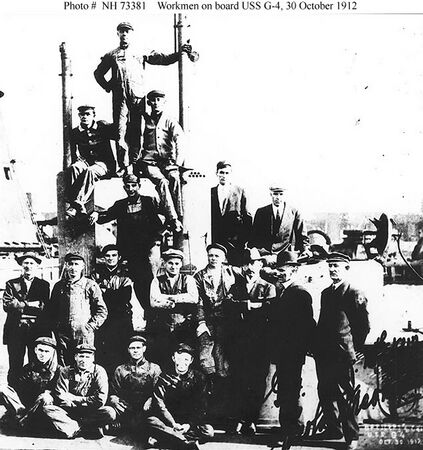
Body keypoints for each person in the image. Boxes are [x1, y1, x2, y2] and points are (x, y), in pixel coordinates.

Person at [94, 22, 192, 173]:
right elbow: (98, 73)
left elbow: (162, 59)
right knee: (120, 132)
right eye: (122, 31)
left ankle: (135, 163)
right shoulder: (111, 55)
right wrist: (109, 87)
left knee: (137, 132)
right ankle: (124, 166)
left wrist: (179, 54)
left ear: (132, 33)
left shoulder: (140, 52)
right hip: (120, 99)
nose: (124, 34)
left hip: (138, 98)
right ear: (118, 34)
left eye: (127, 31)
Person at [89, 174, 179, 319]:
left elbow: (162, 220)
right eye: (128, 186)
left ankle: (155, 315)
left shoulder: (149, 201)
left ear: (139, 186)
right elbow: (106, 216)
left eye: (133, 185)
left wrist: (158, 239)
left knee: (151, 281)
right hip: (130, 252)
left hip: (148, 249)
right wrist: (96, 214)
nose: (130, 189)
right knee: (137, 284)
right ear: (124, 187)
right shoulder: (120, 205)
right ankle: (147, 312)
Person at [313, 253, 370, 450]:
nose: (332, 270)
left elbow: (363, 325)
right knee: (325, 391)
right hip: (323, 351)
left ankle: (351, 436)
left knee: (346, 394)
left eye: (336, 266)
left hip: (341, 354)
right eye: (330, 266)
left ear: (346, 269)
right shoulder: (326, 293)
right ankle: (333, 429)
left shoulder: (353, 292)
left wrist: (355, 349)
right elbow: (322, 323)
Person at [265, 250, 315, 449]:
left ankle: (290, 432)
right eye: (279, 269)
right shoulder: (283, 291)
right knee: (286, 391)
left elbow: (306, 326)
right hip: (284, 352)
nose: (280, 273)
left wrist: (296, 350)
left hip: (292, 353)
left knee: (290, 392)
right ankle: (290, 428)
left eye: (285, 269)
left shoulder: (300, 293)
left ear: (294, 270)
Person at [226, 248, 275, 435]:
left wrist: (247, 305)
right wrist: (251, 304)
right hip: (238, 344)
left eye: (254, 263)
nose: (249, 267)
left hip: (260, 345)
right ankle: (238, 419)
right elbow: (228, 305)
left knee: (256, 382)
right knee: (238, 381)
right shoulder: (235, 287)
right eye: (246, 264)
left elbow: (270, 309)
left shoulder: (268, 287)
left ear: (260, 265)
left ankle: (251, 420)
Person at [43, 253, 108, 366]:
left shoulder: (90, 285)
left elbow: (102, 311)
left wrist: (90, 326)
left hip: (83, 334)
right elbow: (51, 310)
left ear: (82, 266)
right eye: (70, 264)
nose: (73, 268)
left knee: (84, 362)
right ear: (66, 266)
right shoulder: (59, 286)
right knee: (64, 364)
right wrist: (56, 327)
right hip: (63, 334)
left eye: (76, 264)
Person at [147, 343, 214, 450]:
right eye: (179, 359)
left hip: (188, 422)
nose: (182, 363)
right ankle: (185, 443)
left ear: (191, 360)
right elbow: (160, 404)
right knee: (151, 421)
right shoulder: (164, 377)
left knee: (208, 431)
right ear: (173, 358)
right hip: (169, 421)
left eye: (186, 359)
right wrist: (173, 423)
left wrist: (188, 424)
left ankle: (164, 441)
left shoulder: (199, 378)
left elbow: (201, 405)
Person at [42, 344, 115, 439]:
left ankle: (74, 428)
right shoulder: (66, 371)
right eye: (81, 356)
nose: (83, 360)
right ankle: (87, 428)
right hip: (69, 412)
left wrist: (74, 398)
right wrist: (84, 401)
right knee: (48, 409)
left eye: (87, 357)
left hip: (90, 411)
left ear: (92, 358)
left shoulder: (99, 371)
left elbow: (100, 400)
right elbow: (61, 396)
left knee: (109, 412)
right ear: (75, 357)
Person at [135, 90, 186, 223]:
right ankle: (173, 219)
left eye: (159, 100)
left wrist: (178, 163)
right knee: (162, 182)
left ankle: (179, 216)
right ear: (149, 102)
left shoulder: (169, 120)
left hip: (167, 162)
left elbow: (180, 139)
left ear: (164, 102)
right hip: (149, 162)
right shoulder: (144, 120)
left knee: (175, 178)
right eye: (153, 100)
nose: (156, 103)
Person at [2, 252, 50, 386]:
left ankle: (33, 394)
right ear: (21, 265)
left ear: (37, 266)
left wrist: (20, 304)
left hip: (36, 329)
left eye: (31, 263)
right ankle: (12, 395)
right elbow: (8, 305)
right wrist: (29, 304)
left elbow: (43, 306)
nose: (28, 266)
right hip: (15, 329)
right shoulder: (11, 284)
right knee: (15, 363)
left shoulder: (43, 285)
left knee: (36, 363)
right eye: (26, 263)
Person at [194, 243, 238, 381]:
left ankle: (223, 384)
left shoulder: (231, 272)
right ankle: (211, 383)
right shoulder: (200, 276)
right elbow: (198, 301)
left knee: (224, 353)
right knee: (206, 355)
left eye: (216, 256)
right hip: (208, 320)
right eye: (210, 255)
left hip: (226, 320)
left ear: (223, 258)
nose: (213, 258)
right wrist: (201, 322)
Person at [148, 249, 198, 367]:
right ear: (164, 264)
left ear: (181, 264)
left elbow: (193, 298)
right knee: (164, 356)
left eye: (176, 263)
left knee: (183, 355)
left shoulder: (188, 280)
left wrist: (170, 298)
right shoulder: (157, 281)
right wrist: (176, 301)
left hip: (184, 325)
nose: (173, 266)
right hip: (163, 325)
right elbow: (154, 301)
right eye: (170, 263)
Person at [66, 105, 116, 218]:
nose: (85, 117)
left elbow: (117, 131)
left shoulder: (102, 126)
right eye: (82, 114)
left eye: (88, 114)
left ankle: (76, 204)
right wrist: (77, 163)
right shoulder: (75, 132)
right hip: (87, 161)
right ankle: (75, 204)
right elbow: (73, 152)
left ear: (94, 115)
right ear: (79, 116)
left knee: (90, 171)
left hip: (104, 163)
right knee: (74, 168)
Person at [91, 244, 134, 376]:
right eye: (107, 256)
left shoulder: (126, 274)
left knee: (122, 351)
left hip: (121, 318)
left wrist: (105, 292)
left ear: (119, 257)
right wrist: (114, 293)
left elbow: (124, 298)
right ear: (103, 258)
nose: (111, 258)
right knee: (103, 352)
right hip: (103, 318)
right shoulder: (96, 274)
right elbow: (95, 298)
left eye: (114, 255)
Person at [0, 336, 59, 431]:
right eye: (40, 350)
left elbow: (58, 393)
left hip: (45, 407)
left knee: (45, 397)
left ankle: (23, 421)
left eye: (46, 351)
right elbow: (19, 389)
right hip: (28, 405)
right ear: (35, 350)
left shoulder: (59, 370)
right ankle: (21, 415)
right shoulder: (29, 368)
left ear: (52, 352)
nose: (42, 354)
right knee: (4, 389)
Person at [108, 335, 161, 438]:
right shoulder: (121, 369)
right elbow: (114, 392)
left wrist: (150, 400)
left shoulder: (154, 368)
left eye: (138, 348)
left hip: (147, 410)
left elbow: (158, 392)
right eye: (132, 348)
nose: (135, 351)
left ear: (144, 349)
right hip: (127, 410)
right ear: (128, 350)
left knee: (153, 423)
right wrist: (115, 400)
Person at [250, 184, 310, 257]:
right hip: (264, 254)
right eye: (275, 194)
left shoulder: (294, 212)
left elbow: (302, 234)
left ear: (285, 195)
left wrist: (305, 249)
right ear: (270, 194)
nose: (278, 197)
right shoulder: (261, 212)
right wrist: (255, 250)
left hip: (286, 255)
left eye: (281, 194)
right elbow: (254, 236)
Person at [211, 161, 252, 266]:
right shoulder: (211, 192)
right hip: (217, 239)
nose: (224, 176)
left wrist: (244, 240)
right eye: (221, 172)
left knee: (235, 269)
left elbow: (247, 217)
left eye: (227, 173)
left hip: (235, 241)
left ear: (230, 174)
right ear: (216, 173)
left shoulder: (239, 191)